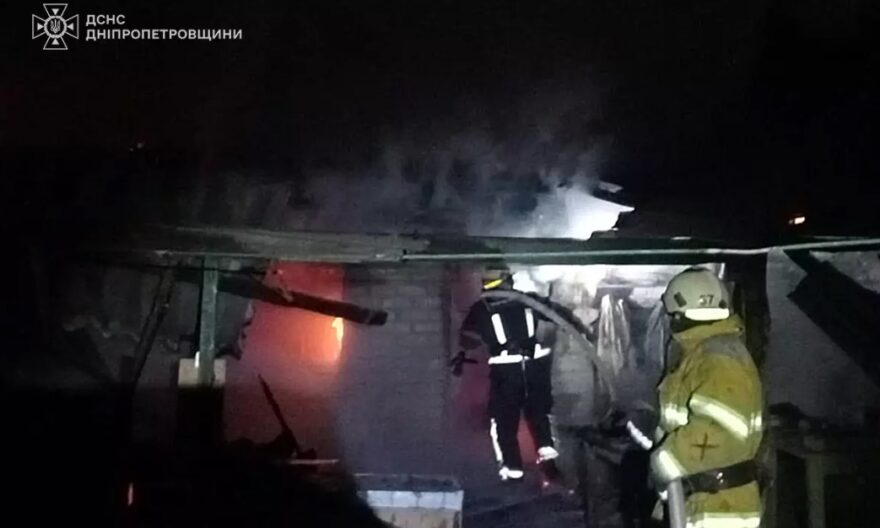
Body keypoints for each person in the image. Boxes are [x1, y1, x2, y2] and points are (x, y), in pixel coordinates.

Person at [647, 267, 764, 528]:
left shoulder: (718, 359)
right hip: (701, 501)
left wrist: (663, 463)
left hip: (719, 510)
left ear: (679, 314)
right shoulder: (701, 355)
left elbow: (717, 431)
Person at [453, 266, 560, 483]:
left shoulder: (481, 308)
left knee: (504, 421)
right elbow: (556, 317)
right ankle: (549, 464)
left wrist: (475, 344)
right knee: (539, 414)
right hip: (535, 369)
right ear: (508, 280)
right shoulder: (528, 301)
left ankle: (513, 472)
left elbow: (468, 340)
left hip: (506, 372)